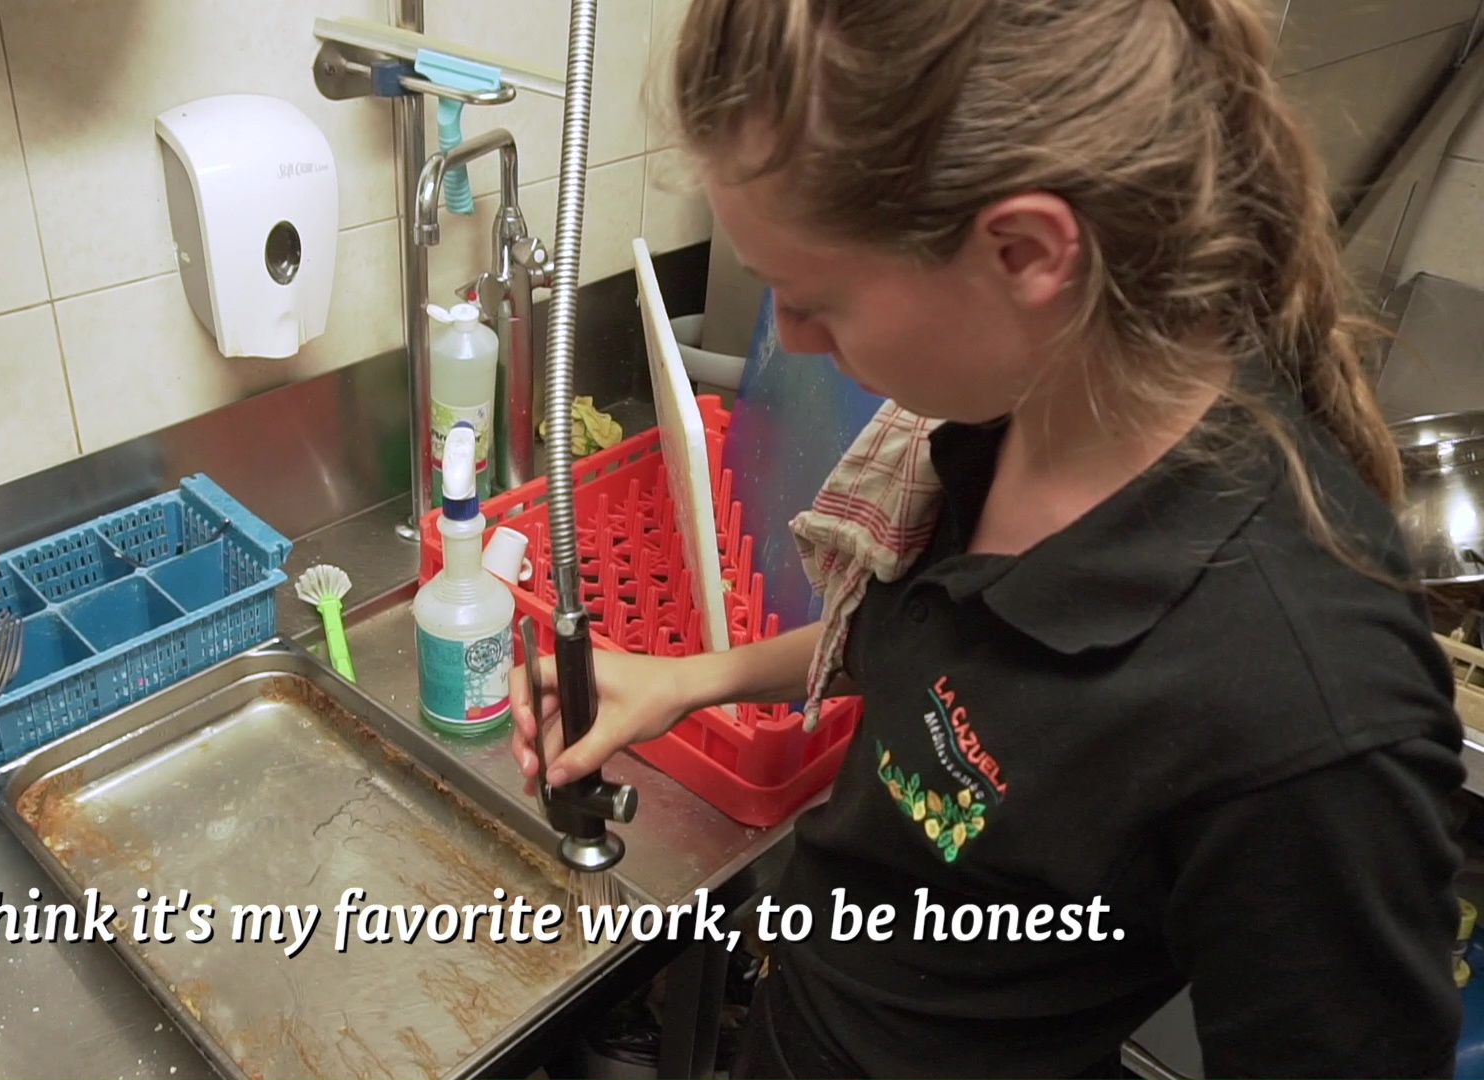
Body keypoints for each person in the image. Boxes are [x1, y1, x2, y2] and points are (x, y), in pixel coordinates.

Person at [509, 1, 1470, 1077]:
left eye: (817, 299)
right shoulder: (1011, 417)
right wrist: (692, 680)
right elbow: (953, 671)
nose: (798, 341)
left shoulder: (1304, 707)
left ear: (1026, 252)